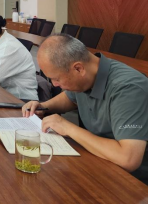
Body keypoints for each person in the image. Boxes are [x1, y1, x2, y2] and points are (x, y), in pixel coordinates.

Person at [24, 34, 148, 184]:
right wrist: (43, 106)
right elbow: (70, 98)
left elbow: (128, 159)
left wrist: (67, 127)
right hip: (96, 160)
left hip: (133, 182)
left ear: (78, 68)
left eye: (56, 79)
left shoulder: (128, 89)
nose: (54, 84)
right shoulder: (86, 76)